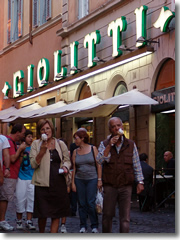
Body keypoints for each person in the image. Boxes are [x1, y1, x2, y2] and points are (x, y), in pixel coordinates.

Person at [96, 117, 144, 233]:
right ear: (110, 129)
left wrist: (140, 182)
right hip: (110, 185)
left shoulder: (131, 144)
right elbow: (99, 160)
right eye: (113, 126)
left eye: (118, 125)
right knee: (107, 216)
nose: (116, 128)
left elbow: (136, 164)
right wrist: (109, 146)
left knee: (125, 218)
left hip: (125, 185)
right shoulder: (104, 144)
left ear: (122, 127)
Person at [30, 119, 71, 233]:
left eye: (47, 128)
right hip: (42, 184)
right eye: (43, 129)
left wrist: (65, 167)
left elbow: (67, 160)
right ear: (39, 132)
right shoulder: (35, 144)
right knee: (42, 214)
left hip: (58, 183)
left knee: (56, 214)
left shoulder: (60, 144)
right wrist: (42, 151)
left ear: (52, 129)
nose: (45, 131)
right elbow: (33, 164)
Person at [71, 130, 102, 233]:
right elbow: (74, 168)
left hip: (92, 179)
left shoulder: (93, 149)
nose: (75, 140)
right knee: (82, 203)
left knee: (90, 202)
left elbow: (98, 164)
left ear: (82, 138)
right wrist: (73, 183)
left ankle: (94, 225)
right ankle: (83, 225)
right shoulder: (75, 151)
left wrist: (99, 179)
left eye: (76, 138)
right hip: (79, 179)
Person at [0, 124, 26, 231]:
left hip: (12, 175)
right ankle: (2, 221)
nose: (24, 136)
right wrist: (20, 150)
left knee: (5, 197)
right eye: (23, 133)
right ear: (17, 132)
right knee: (4, 198)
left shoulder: (11, 142)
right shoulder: (8, 141)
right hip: (8, 175)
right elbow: (11, 159)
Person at [15, 129, 36, 230]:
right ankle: (19, 220)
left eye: (32, 136)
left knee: (31, 199)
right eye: (29, 136)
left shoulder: (34, 148)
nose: (31, 138)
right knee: (20, 198)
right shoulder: (20, 148)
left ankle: (29, 220)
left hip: (32, 177)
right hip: (21, 177)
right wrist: (21, 152)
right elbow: (18, 163)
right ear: (24, 138)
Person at [69, 128, 87, 217]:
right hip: (77, 174)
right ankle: (74, 209)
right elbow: (73, 160)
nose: (75, 140)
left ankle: (88, 213)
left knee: (88, 198)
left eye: (76, 138)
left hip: (89, 176)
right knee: (76, 195)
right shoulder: (73, 147)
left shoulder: (91, 147)